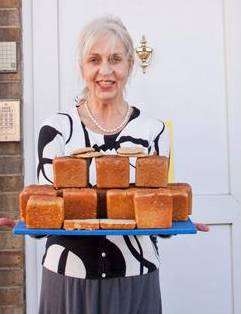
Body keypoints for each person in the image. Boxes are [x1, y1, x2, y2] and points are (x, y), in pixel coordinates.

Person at [36, 16, 209, 314]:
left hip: (135, 275)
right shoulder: (57, 129)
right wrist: (26, 220)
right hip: (68, 276)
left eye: (115, 59)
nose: (105, 71)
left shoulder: (153, 131)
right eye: (95, 60)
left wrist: (177, 219)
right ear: (82, 68)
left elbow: (157, 216)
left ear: (129, 65)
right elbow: (43, 214)